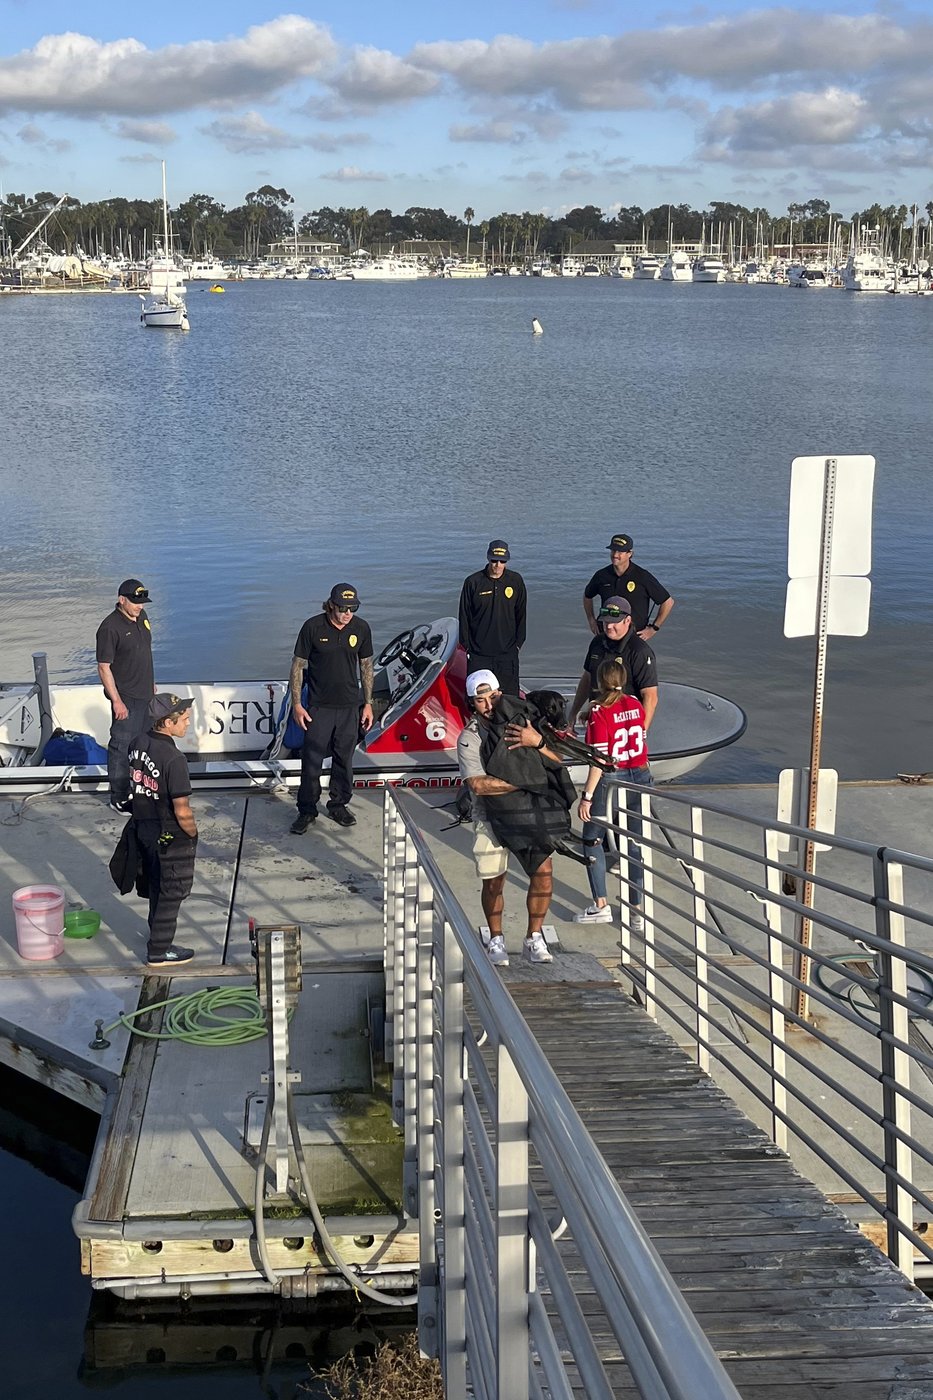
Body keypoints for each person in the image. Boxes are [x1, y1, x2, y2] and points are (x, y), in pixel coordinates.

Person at [456, 669, 556, 968]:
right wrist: (527, 779)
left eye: (493, 697)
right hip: (490, 816)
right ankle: (496, 938)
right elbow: (477, 784)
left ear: (502, 695)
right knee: (494, 882)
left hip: (530, 812)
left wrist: (537, 742)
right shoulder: (469, 737)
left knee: (544, 873)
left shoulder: (526, 725)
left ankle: (534, 938)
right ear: (472, 704)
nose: (488, 704)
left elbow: (558, 761)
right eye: (480, 700)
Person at [574, 660, 651, 933]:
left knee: (591, 838)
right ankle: (637, 911)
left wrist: (587, 796)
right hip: (639, 776)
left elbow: (599, 760)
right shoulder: (634, 703)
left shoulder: (599, 712)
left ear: (599, 683)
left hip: (612, 778)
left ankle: (601, 904)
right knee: (634, 845)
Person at [289, 583, 374, 834]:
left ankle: (338, 804)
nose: (348, 613)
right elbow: (297, 667)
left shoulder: (361, 628)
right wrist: (297, 704)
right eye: (343, 608)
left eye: (353, 608)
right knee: (312, 761)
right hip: (319, 707)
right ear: (331, 605)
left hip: (349, 706)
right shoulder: (312, 627)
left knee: (344, 760)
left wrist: (367, 704)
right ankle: (307, 810)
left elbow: (366, 667)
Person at [129, 693, 198, 966]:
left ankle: (155, 931)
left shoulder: (138, 743)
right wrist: (192, 834)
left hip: (143, 828)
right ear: (168, 723)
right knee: (173, 890)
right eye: (184, 719)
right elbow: (182, 809)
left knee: (156, 883)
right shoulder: (174, 758)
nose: (188, 724)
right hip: (169, 834)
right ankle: (159, 950)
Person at [96, 577, 156, 812]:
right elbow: (104, 667)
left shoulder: (142, 617)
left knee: (144, 744)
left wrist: (152, 682)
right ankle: (119, 797)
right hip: (126, 698)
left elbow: (145, 652)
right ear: (122, 600)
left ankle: (142, 788)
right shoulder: (110, 628)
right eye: (135, 602)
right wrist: (117, 701)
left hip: (146, 694)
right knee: (121, 747)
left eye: (142, 602)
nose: (140, 606)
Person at [567, 596, 659, 733]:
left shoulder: (640, 651)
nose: (609, 626)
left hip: (624, 725)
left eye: (614, 622)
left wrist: (641, 733)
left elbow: (650, 697)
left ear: (627, 621)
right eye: (606, 621)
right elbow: (587, 678)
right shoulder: (597, 642)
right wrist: (573, 714)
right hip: (597, 719)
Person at [458, 540, 527, 695]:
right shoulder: (473, 582)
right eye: (494, 560)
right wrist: (467, 647)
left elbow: (521, 614)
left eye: (502, 561)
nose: (497, 565)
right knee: (478, 698)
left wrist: (518, 643)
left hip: (507, 653)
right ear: (488, 559)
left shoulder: (515, 581)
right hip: (479, 654)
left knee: (509, 698)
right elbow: (464, 616)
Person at [583, 533, 674, 640]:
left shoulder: (642, 576)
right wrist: (591, 620)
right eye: (613, 550)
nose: (615, 555)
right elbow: (587, 596)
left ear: (630, 553)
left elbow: (668, 602)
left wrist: (654, 628)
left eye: (620, 551)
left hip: (633, 637)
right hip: (606, 633)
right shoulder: (601, 575)